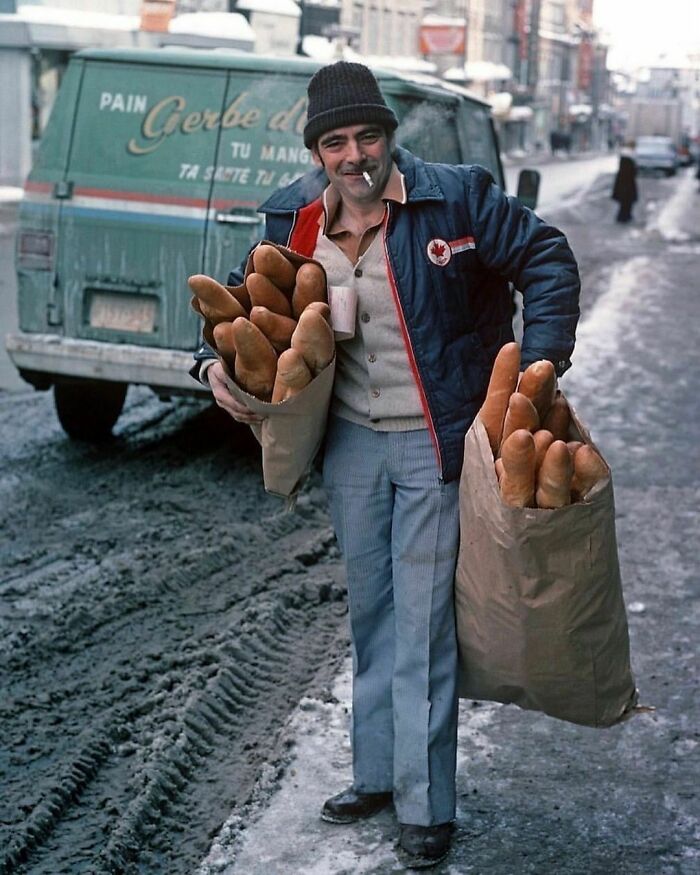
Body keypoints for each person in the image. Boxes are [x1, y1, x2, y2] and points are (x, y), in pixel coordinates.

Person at [192, 61, 580, 869]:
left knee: (423, 624)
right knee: (371, 612)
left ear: (389, 137)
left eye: (368, 135)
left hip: (436, 439)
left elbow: (546, 258)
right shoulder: (294, 220)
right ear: (318, 150)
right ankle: (376, 773)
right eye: (335, 142)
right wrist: (210, 371)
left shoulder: (457, 197)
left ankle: (425, 801)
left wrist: (537, 373)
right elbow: (239, 307)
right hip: (351, 444)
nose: (354, 155)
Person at [611, 144, 638, 222]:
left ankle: (624, 216)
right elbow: (633, 172)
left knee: (625, 202)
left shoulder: (623, 160)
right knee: (627, 202)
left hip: (623, 184)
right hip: (628, 185)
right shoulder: (629, 161)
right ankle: (624, 216)